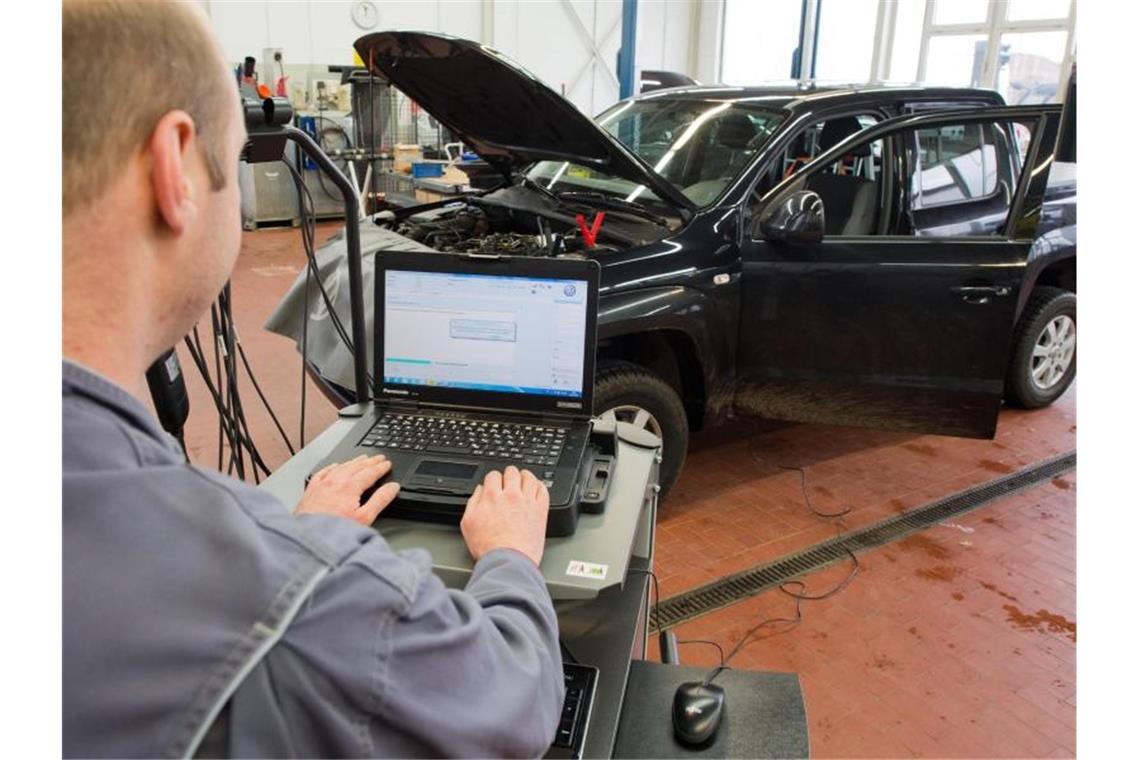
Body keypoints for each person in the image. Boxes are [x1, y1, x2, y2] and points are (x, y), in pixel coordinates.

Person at [61, 2, 563, 757]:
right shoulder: (290, 590)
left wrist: (312, 533)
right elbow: (514, 702)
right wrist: (511, 557)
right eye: (234, 164)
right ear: (176, 170)